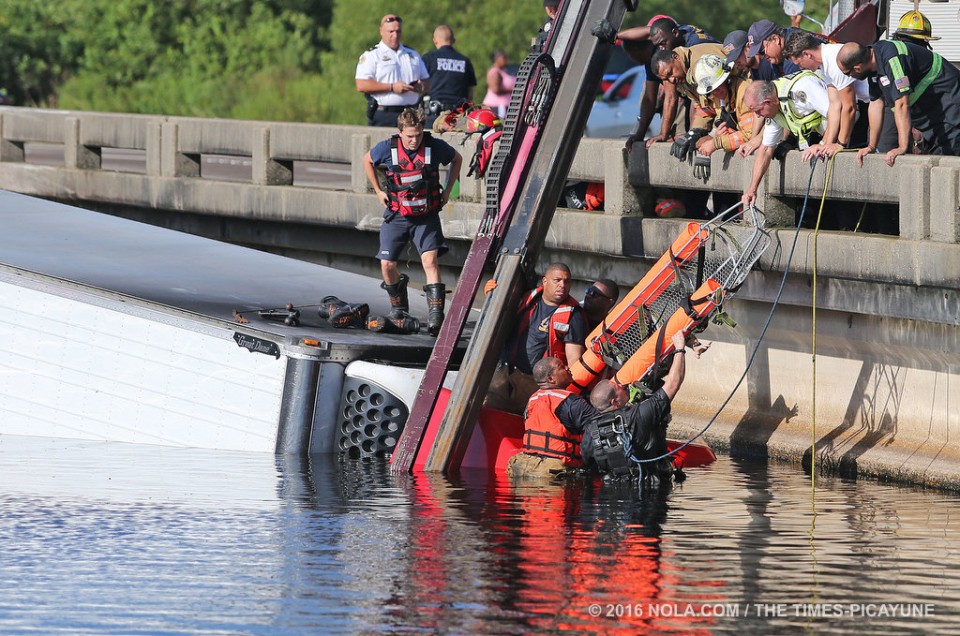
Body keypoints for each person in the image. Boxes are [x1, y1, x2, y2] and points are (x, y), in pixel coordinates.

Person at [362, 108, 462, 335]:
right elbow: (367, 160)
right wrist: (378, 191)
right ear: (400, 132)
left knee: (430, 261)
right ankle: (398, 308)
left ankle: (436, 315)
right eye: (409, 136)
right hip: (397, 214)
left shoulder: (434, 146)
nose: (414, 140)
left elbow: (457, 159)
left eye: (417, 135)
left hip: (426, 216)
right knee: (387, 265)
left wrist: (447, 192)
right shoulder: (387, 148)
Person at [579, 331, 693, 483]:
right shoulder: (639, 415)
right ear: (614, 401)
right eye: (619, 388)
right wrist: (679, 349)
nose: (623, 386)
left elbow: (589, 464)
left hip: (612, 493)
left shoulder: (590, 431)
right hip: (648, 493)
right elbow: (673, 384)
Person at [838, 40, 960, 166]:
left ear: (858, 67)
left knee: (947, 157)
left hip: (950, 102)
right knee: (936, 157)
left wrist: (902, 147)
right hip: (932, 113)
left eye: (847, 73)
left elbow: (901, 103)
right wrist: (871, 146)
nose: (848, 77)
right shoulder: (873, 64)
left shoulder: (892, 59)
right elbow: (876, 103)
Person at [487, 263, 588, 414]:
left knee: (522, 422)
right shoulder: (526, 298)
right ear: (545, 281)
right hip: (504, 372)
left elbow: (574, 360)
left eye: (567, 281)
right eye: (557, 280)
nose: (563, 285)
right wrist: (492, 296)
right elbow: (498, 316)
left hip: (534, 383)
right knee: (488, 413)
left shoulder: (574, 316)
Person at [622, 17, 718, 152]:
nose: (661, 48)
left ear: (675, 33)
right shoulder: (663, 56)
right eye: (658, 45)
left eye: (663, 43)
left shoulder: (694, 48)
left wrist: (692, 134)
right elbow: (653, 99)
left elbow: (689, 100)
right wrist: (648, 134)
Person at [738, 74, 830, 208]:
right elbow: (765, 150)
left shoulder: (801, 88)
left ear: (768, 102)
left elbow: (835, 112)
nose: (758, 116)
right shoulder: (775, 108)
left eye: (758, 111)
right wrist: (752, 189)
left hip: (851, 127)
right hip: (821, 139)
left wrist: (823, 144)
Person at [784, 30, 875, 159]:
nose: (801, 68)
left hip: (880, 101)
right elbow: (834, 106)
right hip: (868, 102)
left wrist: (840, 144)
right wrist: (824, 144)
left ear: (807, 54)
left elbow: (849, 108)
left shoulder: (834, 61)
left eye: (799, 63)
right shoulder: (824, 65)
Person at [506, 356, 596, 479]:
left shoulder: (532, 399)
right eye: (561, 367)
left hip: (524, 467)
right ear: (550, 379)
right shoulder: (572, 402)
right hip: (554, 472)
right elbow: (598, 430)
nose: (567, 368)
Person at [355, 14, 430, 127]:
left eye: (398, 31)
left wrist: (420, 87)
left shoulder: (413, 54)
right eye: (390, 32)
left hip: (411, 114)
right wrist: (391, 87)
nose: (395, 35)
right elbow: (361, 84)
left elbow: (428, 83)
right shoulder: (372, 55)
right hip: (385, 115)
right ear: (381, 31)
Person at [690, 53, 757, 158]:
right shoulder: (719, 97)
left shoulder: (745, 92)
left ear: (727, 78)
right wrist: (718, 135)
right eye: (712, 90)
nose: (716, 92)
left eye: (718, 86)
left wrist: (716, 143)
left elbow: (749, 134)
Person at [421, 25, 477, 128]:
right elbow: (470, 93)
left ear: (435, 40)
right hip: (458, 117)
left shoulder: (428, 58)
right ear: (453, 40)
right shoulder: (465, 61)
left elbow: (421, 86)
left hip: (434, 116)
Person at [483, 50, 515, 119]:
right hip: (497, 106)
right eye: (504, 58)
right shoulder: (495, 72)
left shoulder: (504, 71)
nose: (506, 60)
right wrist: (513, 91)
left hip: (505, 105)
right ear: (497, 59)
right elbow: (496, 90)